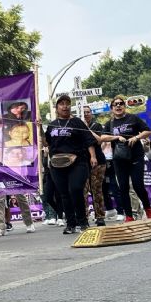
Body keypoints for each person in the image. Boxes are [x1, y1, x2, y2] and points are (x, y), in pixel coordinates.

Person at [44, 94, 97, 234]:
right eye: (61, 103)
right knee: (64, 194)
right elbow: (47, 143)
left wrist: (93, 156)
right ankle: (70, 223)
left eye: (67, 103)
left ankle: (83, 222)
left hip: (78, 161)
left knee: (75, 189)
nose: (65, 105)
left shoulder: (77, 123)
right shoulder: (51, 125)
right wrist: (38, 130)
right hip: (57, 164)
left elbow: (89, 140)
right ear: (56, 108)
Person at [97, 95, 151, 222]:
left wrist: (136, 138)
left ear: (124, 106)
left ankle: (148, 210)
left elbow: (148, 131)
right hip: (119, 158)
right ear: (112, 108)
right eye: (115, 104)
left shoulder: (133, 118)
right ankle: (128, 215)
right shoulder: (109, 123)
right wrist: (116, 138)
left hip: (135, 156)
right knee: (123, 187)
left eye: (121, 104)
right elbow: (102, 138)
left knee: (138, 185)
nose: (118, 106)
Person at [81, 106, 107, 225]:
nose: (86, 114)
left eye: (88, 112)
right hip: (83, 162)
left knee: (96, 189)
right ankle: (84, 216)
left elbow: (99, 140)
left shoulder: (96, 126)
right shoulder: (77, 126)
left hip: (98, 161)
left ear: (91, 114)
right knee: (83, 191)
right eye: (84, 113)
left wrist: (86, 129)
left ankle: (100, 216)